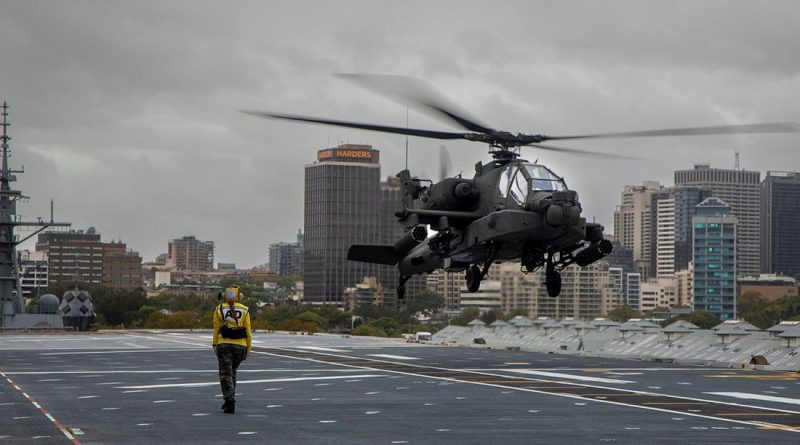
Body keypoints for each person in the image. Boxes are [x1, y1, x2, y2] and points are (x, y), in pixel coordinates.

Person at [212, 285, 252, 414]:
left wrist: (214, 344)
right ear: (239, 297)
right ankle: (230, 398)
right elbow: (248, 331)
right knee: (232, 372)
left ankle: (229, 400)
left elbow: (216, 329)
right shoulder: (245, 310)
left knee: (225, 374)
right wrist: (248, 348)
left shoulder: (219, 309)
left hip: (224, 344)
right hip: (240, 346)